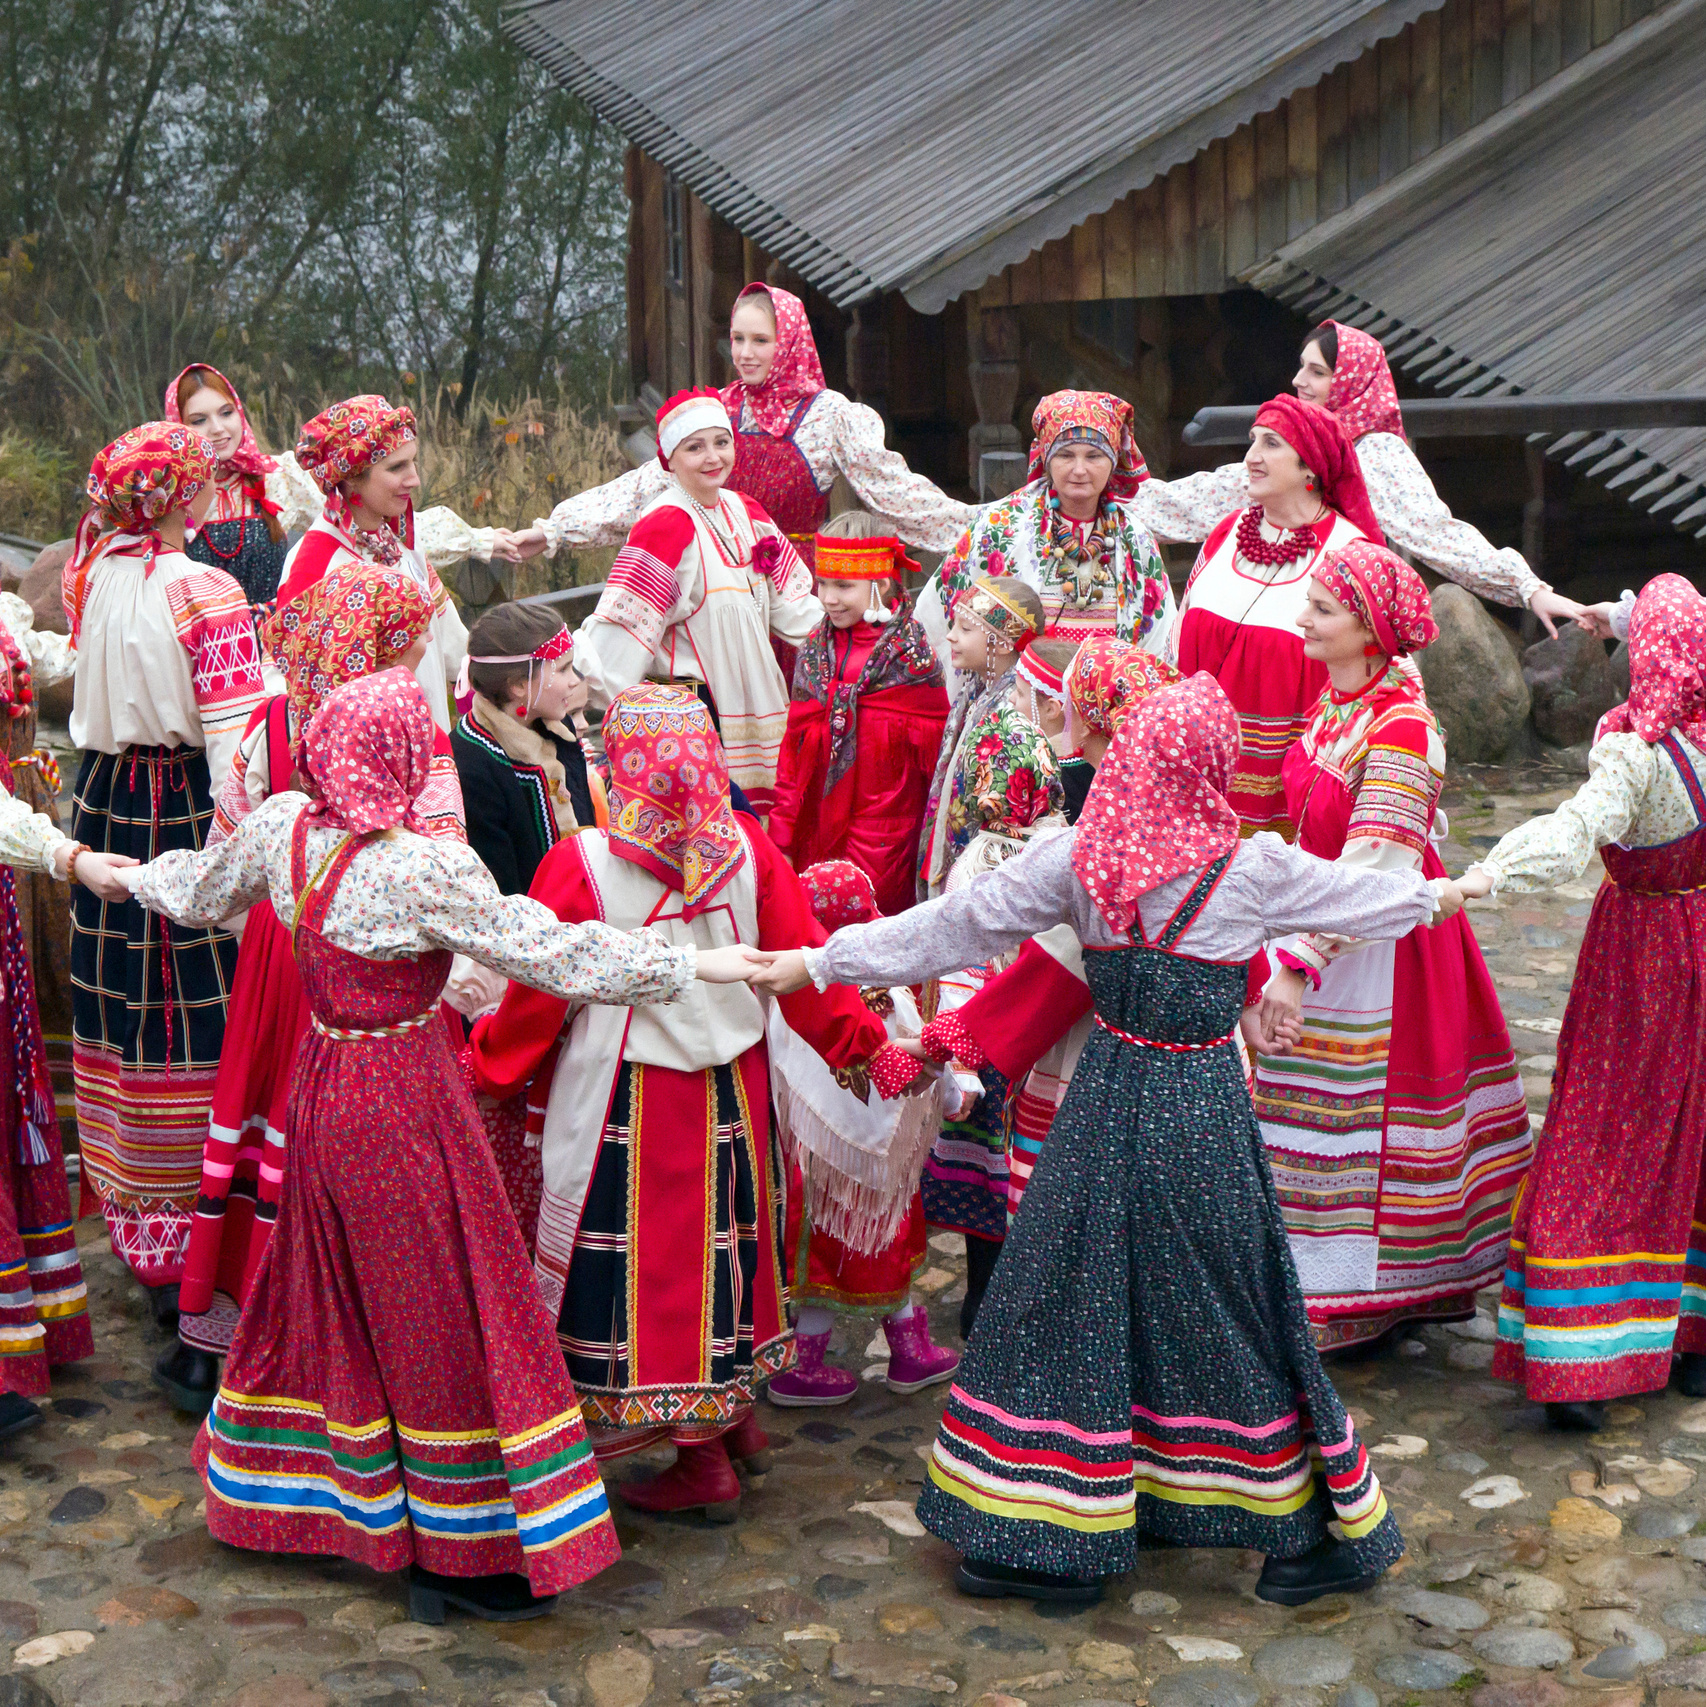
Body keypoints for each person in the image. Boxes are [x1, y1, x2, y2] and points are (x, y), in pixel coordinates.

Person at [751, 674, 1467, 1606]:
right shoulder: (1251, 868)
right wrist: (1456, 889)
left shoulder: (1086, 858)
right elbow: (1370, 896)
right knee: (1223, 1306)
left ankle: (1073, 1529)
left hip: (1108, 1102)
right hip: (1203, 1113)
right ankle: (1250, 1529)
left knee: (1063, 1296)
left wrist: (818, 959)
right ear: (1214, 765)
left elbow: (953, 926)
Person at [119, 668, 764, 1616]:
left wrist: (105, 867)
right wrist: (691, 960)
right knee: (442, 1312)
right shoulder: (417, 866)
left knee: (335, 1290)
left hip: (325, 1088)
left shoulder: (286, 828)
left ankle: (318, 1499)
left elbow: (196, 886)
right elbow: (547, 948)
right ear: (401, 757)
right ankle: (460, 1554)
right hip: (402, 1099)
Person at [467, 685, 922, 1521]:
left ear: (619, 765)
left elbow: (540, 991)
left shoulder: (583, 865)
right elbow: (806, 970)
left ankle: (700, 1457)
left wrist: (489, 1063)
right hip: (736, 1094)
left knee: (658, 1281)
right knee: (730, 1258)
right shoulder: (748, 849)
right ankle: (737, 1424)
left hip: (628, 1100)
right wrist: (872, 1052)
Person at [156, 560, 458, 1411]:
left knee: (269, 1124)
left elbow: (226, 847)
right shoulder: (405, 727)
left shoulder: (271, 720)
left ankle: (239, 1329)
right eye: (411, 638)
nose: (421, 650)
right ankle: (363, 1347)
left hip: (279, 940)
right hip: (367, 964)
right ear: (387, 643)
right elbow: (441, 855)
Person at [1250, 541, 1530, 1354]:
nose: (1303, 618)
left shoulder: (1406, 726)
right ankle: (1320, 1282)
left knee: (1361, 1114)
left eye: (1323, 610)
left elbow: (1377, 873)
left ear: (1371, 631)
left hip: (1381, 950)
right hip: (1320, 921)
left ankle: (1375, 1289)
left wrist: (1298, 965)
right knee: (1305, 1110)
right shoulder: (1334, 704)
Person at [1455, 575, 1706, 1431]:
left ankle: (1580, 1347)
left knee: (1603, 1122)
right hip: (1701, 944)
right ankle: (1690, 1332)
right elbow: (1666, 613)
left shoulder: (1637, 750)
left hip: (1639, 956)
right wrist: (1619, 610)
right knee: (1691, 1125)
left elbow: (1576, 827)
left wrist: (1493, 870)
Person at [63, 422, 268, 1307]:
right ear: (185, 495)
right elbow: (235, 745)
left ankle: (137, 1222)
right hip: (183, 802)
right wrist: (243, 865)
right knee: (194, 1008)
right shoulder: (205, 590)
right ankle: (201, 1236)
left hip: (103, 796)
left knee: (120, 1001)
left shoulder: (91, 575)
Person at [935, 639, 1183, 1223]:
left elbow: (1057, 969)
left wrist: (951, 1042)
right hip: (1197, 1080)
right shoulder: (1199, 824)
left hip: (1101, 1062)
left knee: (1079, 1222)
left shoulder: (1101, 845)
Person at [1134, 321, 1585, 636]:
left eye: (1317, 372)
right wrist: (1104, 494)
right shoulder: (1292, 440)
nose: (1299, 381)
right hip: (1268, 601)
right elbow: (1208, 495)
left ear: (1350, 382)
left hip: (1333, 612)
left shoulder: (1376, 451)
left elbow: (1434, 532)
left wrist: (1527, 588)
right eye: (1301, 367)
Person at [509, 282, 972, 565]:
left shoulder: (831, 416)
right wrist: (554, 530)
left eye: (760, 340)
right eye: (737, 338)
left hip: (796, 588)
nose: (745, 353)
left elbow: (897, 494)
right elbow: (645, 486)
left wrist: (985, 527)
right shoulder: (717, 411)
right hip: (718, 583)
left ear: (788, 343)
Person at [569, 388, 824, 818]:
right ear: (670, 458)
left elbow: (795, 607)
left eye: (721, 443)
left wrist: (857, 637)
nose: (713, 457)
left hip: (758, 706)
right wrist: (580, 688)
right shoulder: (665, 527)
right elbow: (622, 638)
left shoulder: (748, 512)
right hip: (696, 719)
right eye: (695, 447)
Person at [770, 859, 959, 1406]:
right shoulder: (891, 993)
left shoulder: (793, 996)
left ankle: (804, 1364)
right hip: (882, 1170)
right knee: (885, 1246)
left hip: (813, 1161)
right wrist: (955, 1098)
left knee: (819, 1257)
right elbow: (926, 1063)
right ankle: (908, 1352)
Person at [1170, 395, 1380, 836]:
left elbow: (1377, 673)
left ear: (1310, 468)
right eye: (1252, 441)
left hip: (1285, 797)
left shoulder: (1350, 553)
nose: (1251, 457)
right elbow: (1177, 641)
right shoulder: (1228, 531)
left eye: (1271, 443)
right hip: (1191, 776)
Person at [924, 701, 1064, 1333]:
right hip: (1049, 1044)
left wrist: (961, 1050)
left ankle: (983, 1305)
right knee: (1037, 1173)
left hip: (984, 1040)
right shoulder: (1067, 850)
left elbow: (958, 959)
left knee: (987, 1182)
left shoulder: (976, 863)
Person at [168, 365, 514, 614]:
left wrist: (479, 540)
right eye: (198, 420)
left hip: (274, 655)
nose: (217, 429)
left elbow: (373, 518)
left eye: (226, 413)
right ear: (177, 426)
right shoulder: (169, 497)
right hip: (203, 660)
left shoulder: (278, 478)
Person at [277, 394, 498, 730]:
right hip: (370, 766)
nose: (415, 479)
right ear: (350, 476)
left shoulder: (401, 540)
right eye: (396, 467)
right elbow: (307, 701)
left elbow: (451, 644)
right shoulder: (315, 567)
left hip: (432, 750)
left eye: (412, 462)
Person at [770, 514, 948, 914]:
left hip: (889, 840)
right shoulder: (815, 654)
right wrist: (780, 837)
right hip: (815, 837)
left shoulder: (913, 660)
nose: (828, 598)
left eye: (843, 586)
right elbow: (793, 756)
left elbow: (938, 768)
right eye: (824, 583)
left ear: (880, 586)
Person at [918, 391, 1174, 658]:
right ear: (1047, 459)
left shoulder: (1135, 537)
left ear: (1113, 461)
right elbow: (953, 613)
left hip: (1113, 693)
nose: (1079, 469)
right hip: (1020, 692)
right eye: (1065, 455)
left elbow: (1159, 636)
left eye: (1093, 456)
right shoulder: (1002, 526)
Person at [452, 602, 607, 897]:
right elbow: (501, 886)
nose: (575, 680)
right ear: (518, 687)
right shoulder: (472, 763)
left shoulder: (561, 730)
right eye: (562, 669)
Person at [918, 576, 1048, 900]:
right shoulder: (974, 691)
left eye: (966, 628)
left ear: (1004, 642)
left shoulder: (1011, 708)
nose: (950, 636)